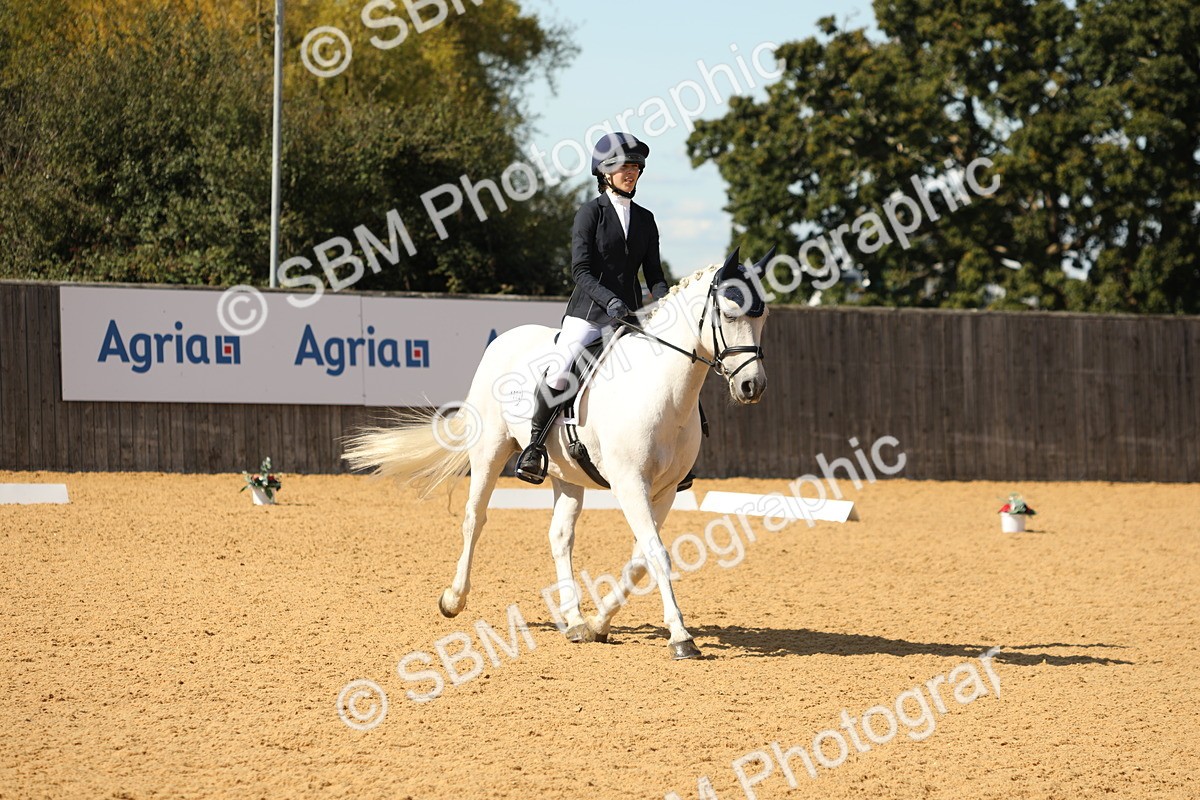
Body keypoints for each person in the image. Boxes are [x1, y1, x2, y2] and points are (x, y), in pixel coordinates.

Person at [515, 132, 669, 484]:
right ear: (604, 172)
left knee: (668, 368)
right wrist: (610, 300)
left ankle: (680, 457)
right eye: (623, 166)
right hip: (589, 313)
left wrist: (663, 302)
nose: (631, 172)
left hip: (629, 317)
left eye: (635, 166)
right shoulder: (590, 213)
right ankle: (535, 447)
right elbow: (580, 270)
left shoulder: (645, 219)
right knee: (561, 368)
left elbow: (655, 274)